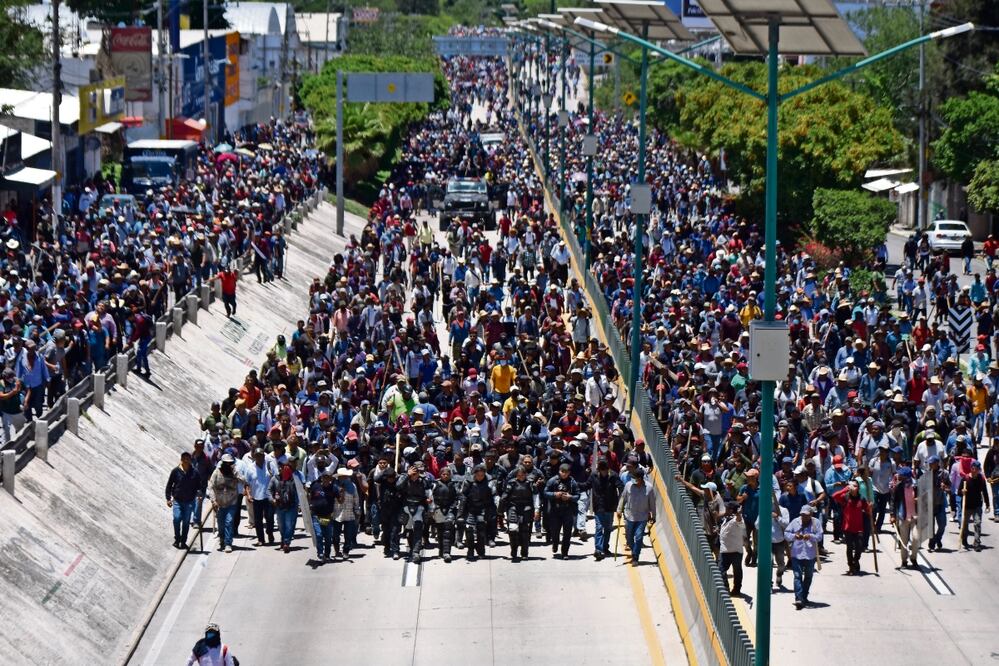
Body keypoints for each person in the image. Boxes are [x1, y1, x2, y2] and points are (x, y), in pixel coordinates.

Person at [785, 505, 822, 610]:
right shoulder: (795, 522)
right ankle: (799, 598)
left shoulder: (816, 523)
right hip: (797, 554)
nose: (803, 517)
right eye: (802, 515)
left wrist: (810, 536)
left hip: (810, 555)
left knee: (808, 576)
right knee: (797, 576)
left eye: (806, 515)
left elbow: (819, 537)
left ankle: (804, 596)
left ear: (810, 515)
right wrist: (794, 536)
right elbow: (787, 534)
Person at [617, 466, 656, 565]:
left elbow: (652, 504)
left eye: (635, 478)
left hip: (642, 517)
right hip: (629, 516)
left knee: (638, 537)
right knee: (629, 538)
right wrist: (619, 510)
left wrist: (653, 516)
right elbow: (623, 498)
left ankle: (635, 556)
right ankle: (634, 550)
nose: (633, 479)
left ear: (640, 478)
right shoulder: (628, 485)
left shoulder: (649, 488)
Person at [165, 451, 202, 549]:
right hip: (177, 500)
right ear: (181, 459)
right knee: (177, 518)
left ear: (190, 460)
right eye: (184, 458)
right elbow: (169, 485)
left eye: (188, 458)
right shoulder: (175, 471)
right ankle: (177, 538)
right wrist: (168, 498)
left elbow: (199, 486)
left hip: (189, 501)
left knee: (186, 522)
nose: (186, 460)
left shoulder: (195, 472)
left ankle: (183, 541)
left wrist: (199, 494)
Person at [832, 481, 870, 575]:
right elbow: (834, 496)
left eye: (855, 486)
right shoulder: (845, 497)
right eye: (852, 485)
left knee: (859, 547)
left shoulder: (862, 498)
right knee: (849, 547)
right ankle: (851, 566)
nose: (853, 487)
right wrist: (845, 489)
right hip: (847, 527)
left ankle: (855, 560)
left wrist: (870, 508)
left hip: (859, 527)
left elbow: (867, 509)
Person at [501, 465, 537, 562]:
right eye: (519, 475)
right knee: (512, 530)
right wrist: (500, 511)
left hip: (526, 509)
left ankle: (524, 553)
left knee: (524, 532)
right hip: (513, 508)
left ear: (526, 474)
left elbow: (535, 496)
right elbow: (505, 496)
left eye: (522, 475)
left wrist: (537, 510)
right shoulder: (511, 483)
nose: (521, 477)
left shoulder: (530, 483)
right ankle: (514, 550)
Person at [590, 458, 624, 560]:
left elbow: (621, 487)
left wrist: (620, 502)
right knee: (599, 528)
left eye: (604, 470)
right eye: (601, 470)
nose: (603, 473)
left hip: (610, 507)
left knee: (608, 529)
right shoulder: (594, 475)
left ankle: (605, 547)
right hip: (598, 506)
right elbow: (586, 485)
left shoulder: (613, 475)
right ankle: (598, 550)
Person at [544, 463, 580, 559]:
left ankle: (565, 552)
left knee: (567, 533)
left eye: (566, 472)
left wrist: (570, 497)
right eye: (562, 471)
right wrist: (555, 494)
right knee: (555, 532)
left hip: (568, 511)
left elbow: (578, 495)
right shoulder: (552, 480)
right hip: (555, 511)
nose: (564, 474)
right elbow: (545, 492)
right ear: (559, 471)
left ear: (569, 473)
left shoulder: (573, 482)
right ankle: (555, 543)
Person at [208, 454, 242, 553]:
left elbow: (244, 481)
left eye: (230, 463)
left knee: (229, 522)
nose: (228, 465)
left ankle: (228, 543)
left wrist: (236, 474)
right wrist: (213, 500)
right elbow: (210, 486)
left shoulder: (234, 472)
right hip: (220, 503)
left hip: (232, 502)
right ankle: (222, 538)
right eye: (226, 463)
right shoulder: (216, 472)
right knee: (221, 524)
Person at [890, 466, 920, 567]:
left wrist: (919, 499)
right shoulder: (898, 487)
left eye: (901, 475)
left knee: (916, 538)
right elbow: (893, 501)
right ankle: (904, 560)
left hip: (915, 517)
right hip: (903, 516)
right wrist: (892, 515)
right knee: (904, 540)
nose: (899, 476)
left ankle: (913, 558)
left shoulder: (916, 486)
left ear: (906, 477)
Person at [959, 460, 991, 551]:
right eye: (973, 468)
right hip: (967, 506)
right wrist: (962, 491)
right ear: (971, 468)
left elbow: (984, 492)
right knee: (965, 525)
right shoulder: (965, 479)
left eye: (977, 469)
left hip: (977, 505)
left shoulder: (981, 479)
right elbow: (958, 492)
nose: (975, 470)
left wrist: (987, 504)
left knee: (977, 523)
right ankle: (964, 538)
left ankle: (977, 543)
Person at [269, 462, 299, 552]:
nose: (282, 469)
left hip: (291, 506)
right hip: (279, 506)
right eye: (281, 468)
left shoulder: (294, 479)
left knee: (289, 525)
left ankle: (286, 542)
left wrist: (300, 504)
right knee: (281, 525)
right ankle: (283, 538)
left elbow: (300, 492)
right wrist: (272, 499)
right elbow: (269, 490)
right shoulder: (275, 479)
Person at [332, 468, 361, 559]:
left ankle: (346, 551)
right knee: (335, 535)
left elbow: (356, 498)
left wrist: (357, 510)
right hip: (337, 514)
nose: (344, 478)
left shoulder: (353, 486)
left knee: (348, 535)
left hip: (349, 513)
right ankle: (337, 550)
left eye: (346, 476)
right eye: (342, 476)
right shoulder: (334, 486)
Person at [431, 465, 459, 562]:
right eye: (443, 474)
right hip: (438, 510)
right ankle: (441, 551)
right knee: (440, 532)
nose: (445, 476)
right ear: (440, 474)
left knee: (448, 531)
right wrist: (434, 508)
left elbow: (457, 497)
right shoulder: (435, 484)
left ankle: (447, 552)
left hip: (450, 510)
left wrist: (453, 507)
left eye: (447, 474)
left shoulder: (454, 484)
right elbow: (431, 496)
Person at [309, 470, 337, 562]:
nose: (326, 479)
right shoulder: (315, 486)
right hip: (316, 515)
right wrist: (308, 505)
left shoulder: (333, 488)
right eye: (324, 477)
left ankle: (327, 554)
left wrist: (342, 494)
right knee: (319, 534)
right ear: (322, 478)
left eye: (328, 477)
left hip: (327, 516)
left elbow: (340, 500)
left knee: (328, 537)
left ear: (330, 479)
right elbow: (309, 496)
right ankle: (320, 553)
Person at [719, 503, 746, 596]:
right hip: (724, 550)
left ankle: (736, 589)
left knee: (737, 571)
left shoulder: (737, 520)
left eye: (726, 508)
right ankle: (725, 588)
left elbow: (741, 524)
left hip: (736, 551)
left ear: (731, 510)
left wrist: (738, 514)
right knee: (721, 570)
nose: (724, 509)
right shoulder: (725, 519)